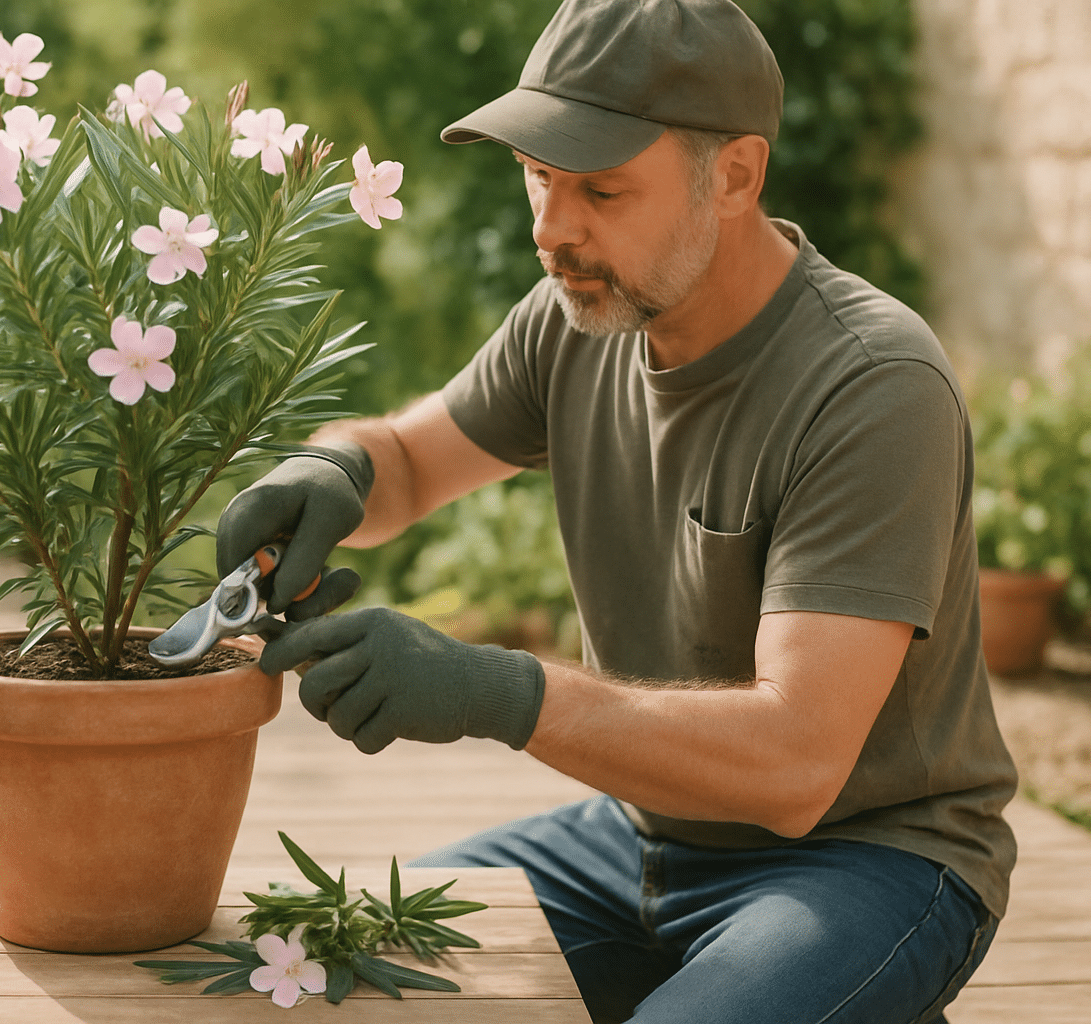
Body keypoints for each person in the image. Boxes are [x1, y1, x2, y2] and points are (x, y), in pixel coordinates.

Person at [215, 0, 1017, 1020]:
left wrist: (495, 690)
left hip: (869, 858)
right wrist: (332, 470)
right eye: (538, 178)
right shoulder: (577, 314)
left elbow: (796, 761)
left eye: (600, 187)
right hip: (641, 837)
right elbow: (411, 460)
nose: (552, 230)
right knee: (338, 970)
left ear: (734, 175)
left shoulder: (871, 384)